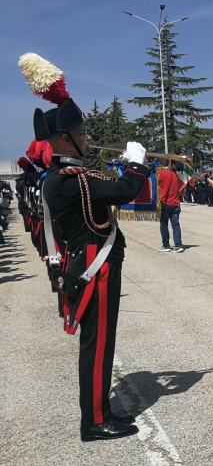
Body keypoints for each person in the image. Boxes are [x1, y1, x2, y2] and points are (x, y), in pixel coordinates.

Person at [25, 58, 151, 441]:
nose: (89, 137)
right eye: (82, 132)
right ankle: (94, 421)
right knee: (98, 345)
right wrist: (136, 164)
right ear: (65, 139)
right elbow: (126, 192)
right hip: (96, 266)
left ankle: (100, 409)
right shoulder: (70, 179)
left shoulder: (65, 177)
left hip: (90, 263)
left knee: (99, 342)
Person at [157, 161, 185, 252]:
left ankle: (166, 245)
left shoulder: (162, 172)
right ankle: (178, 245)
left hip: (165, 203)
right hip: (176, 203)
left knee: (164, 224)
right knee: (176, 224)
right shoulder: (176, 175)